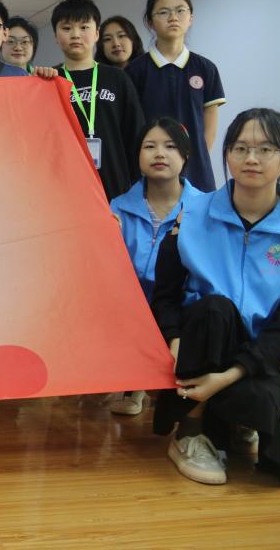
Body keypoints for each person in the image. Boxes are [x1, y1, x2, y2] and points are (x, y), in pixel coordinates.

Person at [151, 108, 280, 488]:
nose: (251, 158)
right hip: (200, 343)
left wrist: (227, 378)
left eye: (265, 149)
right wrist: (176, 340)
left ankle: (235, 418)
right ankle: (190, 431)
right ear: (227, 154)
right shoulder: (190, 215)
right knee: (215, 308)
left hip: (259, 354)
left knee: (258, 401)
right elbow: (164, 294)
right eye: (240, 148)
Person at [108, 118, 203, 416]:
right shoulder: (117, 207)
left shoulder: (204, 210)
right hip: (131, 309)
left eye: (170, 146)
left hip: (180, 308)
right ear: (137, 155)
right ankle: (133, 382)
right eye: (149, 146)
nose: (159, 154)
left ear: (185, 155)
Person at [126, 0, 225, 193]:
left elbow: (209, 128)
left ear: (191, 18)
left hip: (196, 171)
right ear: (150, 22)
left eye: (180, 11)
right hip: (151, 169)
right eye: (164, 12)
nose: (173, 18)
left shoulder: (205, 68)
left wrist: (191, 159)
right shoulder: (135, 71)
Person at [50, 0, 146, 201]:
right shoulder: (49, 81)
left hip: (115, 187)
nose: (76, 34)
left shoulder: (117, 78)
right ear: (56, 36)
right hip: (62, 189)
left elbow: (136, 135)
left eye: (84, 27)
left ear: (96, 34)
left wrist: (139, 189)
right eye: (66, 28)